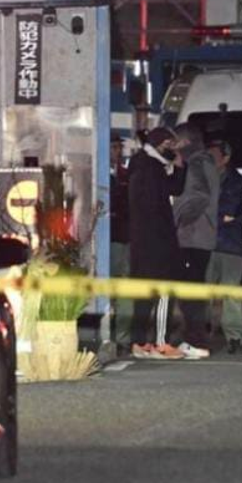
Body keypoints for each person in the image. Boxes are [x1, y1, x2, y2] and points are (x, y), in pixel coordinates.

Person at [128, 127, 187, 360]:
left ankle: (139, 341)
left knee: (143, 293)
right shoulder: (151, 168)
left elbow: (172, 188)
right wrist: (178, 166)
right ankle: (161, 343)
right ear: (162, 144)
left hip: (142, 242)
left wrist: (177, 167)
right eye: (170, 145)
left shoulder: (141, 164)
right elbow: (169, 192)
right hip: (157, 241)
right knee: (164, 291)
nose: (173, 150)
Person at [171, 122, 220, 359]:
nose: (173, 146)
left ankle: (195, 341)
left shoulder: (197, 163)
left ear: (186, 142)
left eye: (176, 141)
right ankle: (195, 338)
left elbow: (199, 196)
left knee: (190, 292)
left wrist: (180, 219)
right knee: (193, 289)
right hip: (201, 237)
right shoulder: (205, 162)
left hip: (193, 237)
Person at [206, 139, 242, 354]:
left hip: (229, 245)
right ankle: (202, 333)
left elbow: (229, 212)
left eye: (214, 155)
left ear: (226, 158)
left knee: (231, 291)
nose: (211, 159)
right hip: (206, 243)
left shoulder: (237, 181)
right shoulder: (202, 178)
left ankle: (234, 335)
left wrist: (208, 215)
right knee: (203, 290)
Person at [108, 132, 134, 355]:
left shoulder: (127, 175)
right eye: (113, 147)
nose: (116, 152)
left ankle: (123, 336)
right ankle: (108, 333)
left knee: (125, 284)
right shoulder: (97, 174)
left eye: (119, 147)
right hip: (107, 237)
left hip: (124, 236)